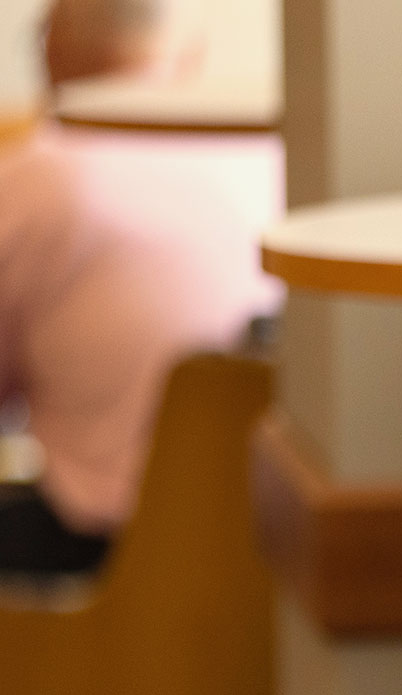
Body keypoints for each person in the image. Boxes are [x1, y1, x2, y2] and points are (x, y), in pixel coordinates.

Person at [0, 0, 276, 578]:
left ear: (49, 50)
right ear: (191, 54)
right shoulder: (265, 159)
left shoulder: (33, 177)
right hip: (266, 554)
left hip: (107, 558)